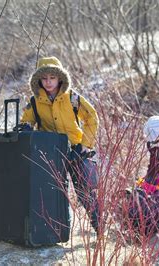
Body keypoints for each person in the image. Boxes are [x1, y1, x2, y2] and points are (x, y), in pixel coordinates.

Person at [20, 56, 100, 235]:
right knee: (53, 191)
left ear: (60, 78)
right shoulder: (35, 101)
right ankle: (54, 231)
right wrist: (25, 127)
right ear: (38, 80)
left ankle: (99, 229)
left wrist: (85, 145)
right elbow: (27, 120)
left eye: (52, 78)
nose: (48, 82)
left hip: (76, 150)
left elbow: (92, 117)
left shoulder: (71, 97)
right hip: (50, 152)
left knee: (84, 192)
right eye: (44, 78)